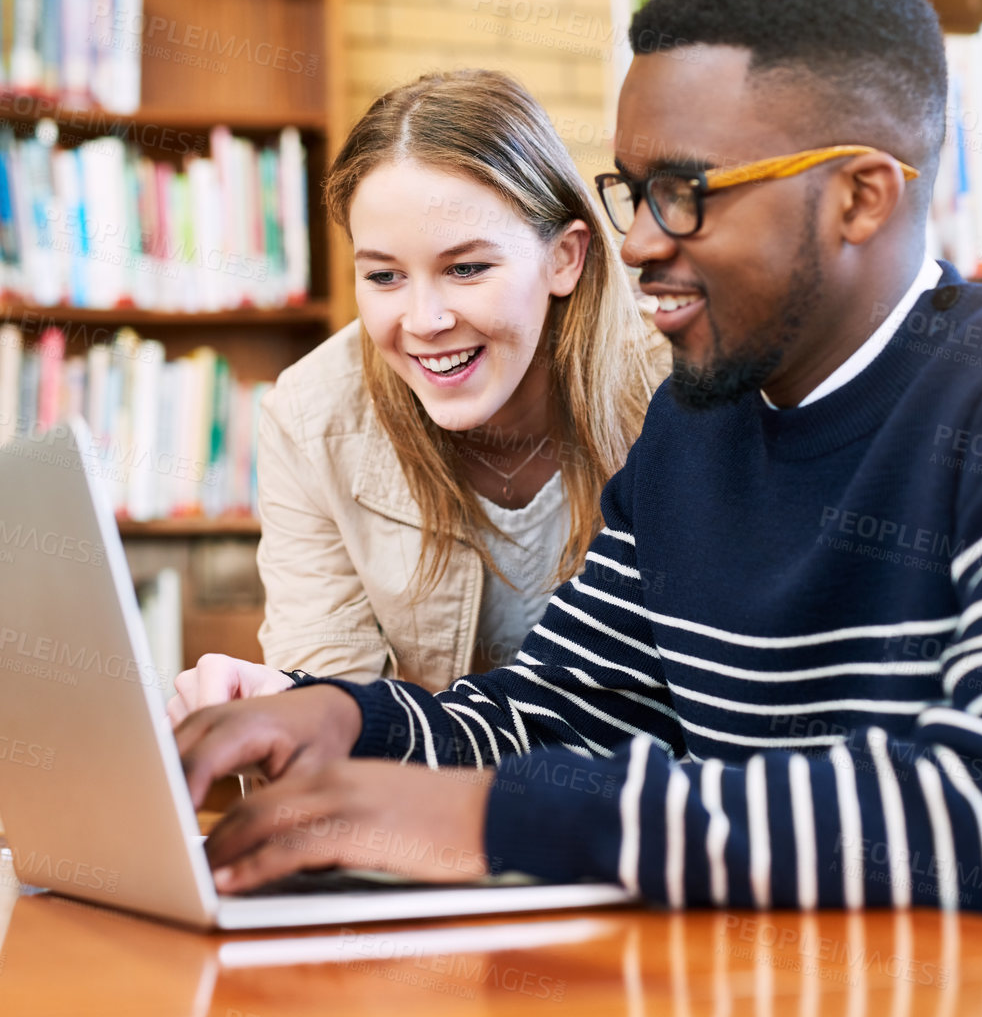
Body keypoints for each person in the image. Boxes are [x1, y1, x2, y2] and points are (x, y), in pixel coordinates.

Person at [171, 0, 982, 964]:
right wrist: (341, 717)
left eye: (686, 194)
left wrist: (500, 819)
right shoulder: (696, 426)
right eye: (634, 192)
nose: (640, 244)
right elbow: (554, 711)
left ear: (861, 197)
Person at [166, 70, 668, 718]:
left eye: (466, 267)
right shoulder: (312, 415)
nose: (423, 320)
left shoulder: (676, 390)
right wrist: (287, 719)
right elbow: (333, 714)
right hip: (434, 803)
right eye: (384, 275)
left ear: (563, 258)